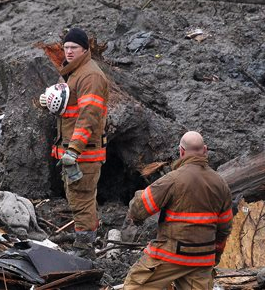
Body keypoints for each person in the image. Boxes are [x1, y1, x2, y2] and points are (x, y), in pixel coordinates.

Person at [123, 131, 233, 289]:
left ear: (181, 151)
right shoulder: (221, 184)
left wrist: (138, 198)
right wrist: (214, 255)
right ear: (205, 150)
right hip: (202, 258)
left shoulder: (173, 179)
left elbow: (140, 208)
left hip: (171, 255)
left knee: (134, 284)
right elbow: (224, 227)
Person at [39, 27, 110, 253]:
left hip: (83, 153)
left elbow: (89, 116)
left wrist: (74, 150)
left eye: (74, 48)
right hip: (74, 151)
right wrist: (49, 102)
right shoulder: (74, 73)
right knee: (78, 199)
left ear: (85, 50)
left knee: (82, 201)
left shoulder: (90, 76)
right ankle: (86, 243)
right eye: (66, 47)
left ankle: (84, 249)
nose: (68, 52)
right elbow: (70, 110)